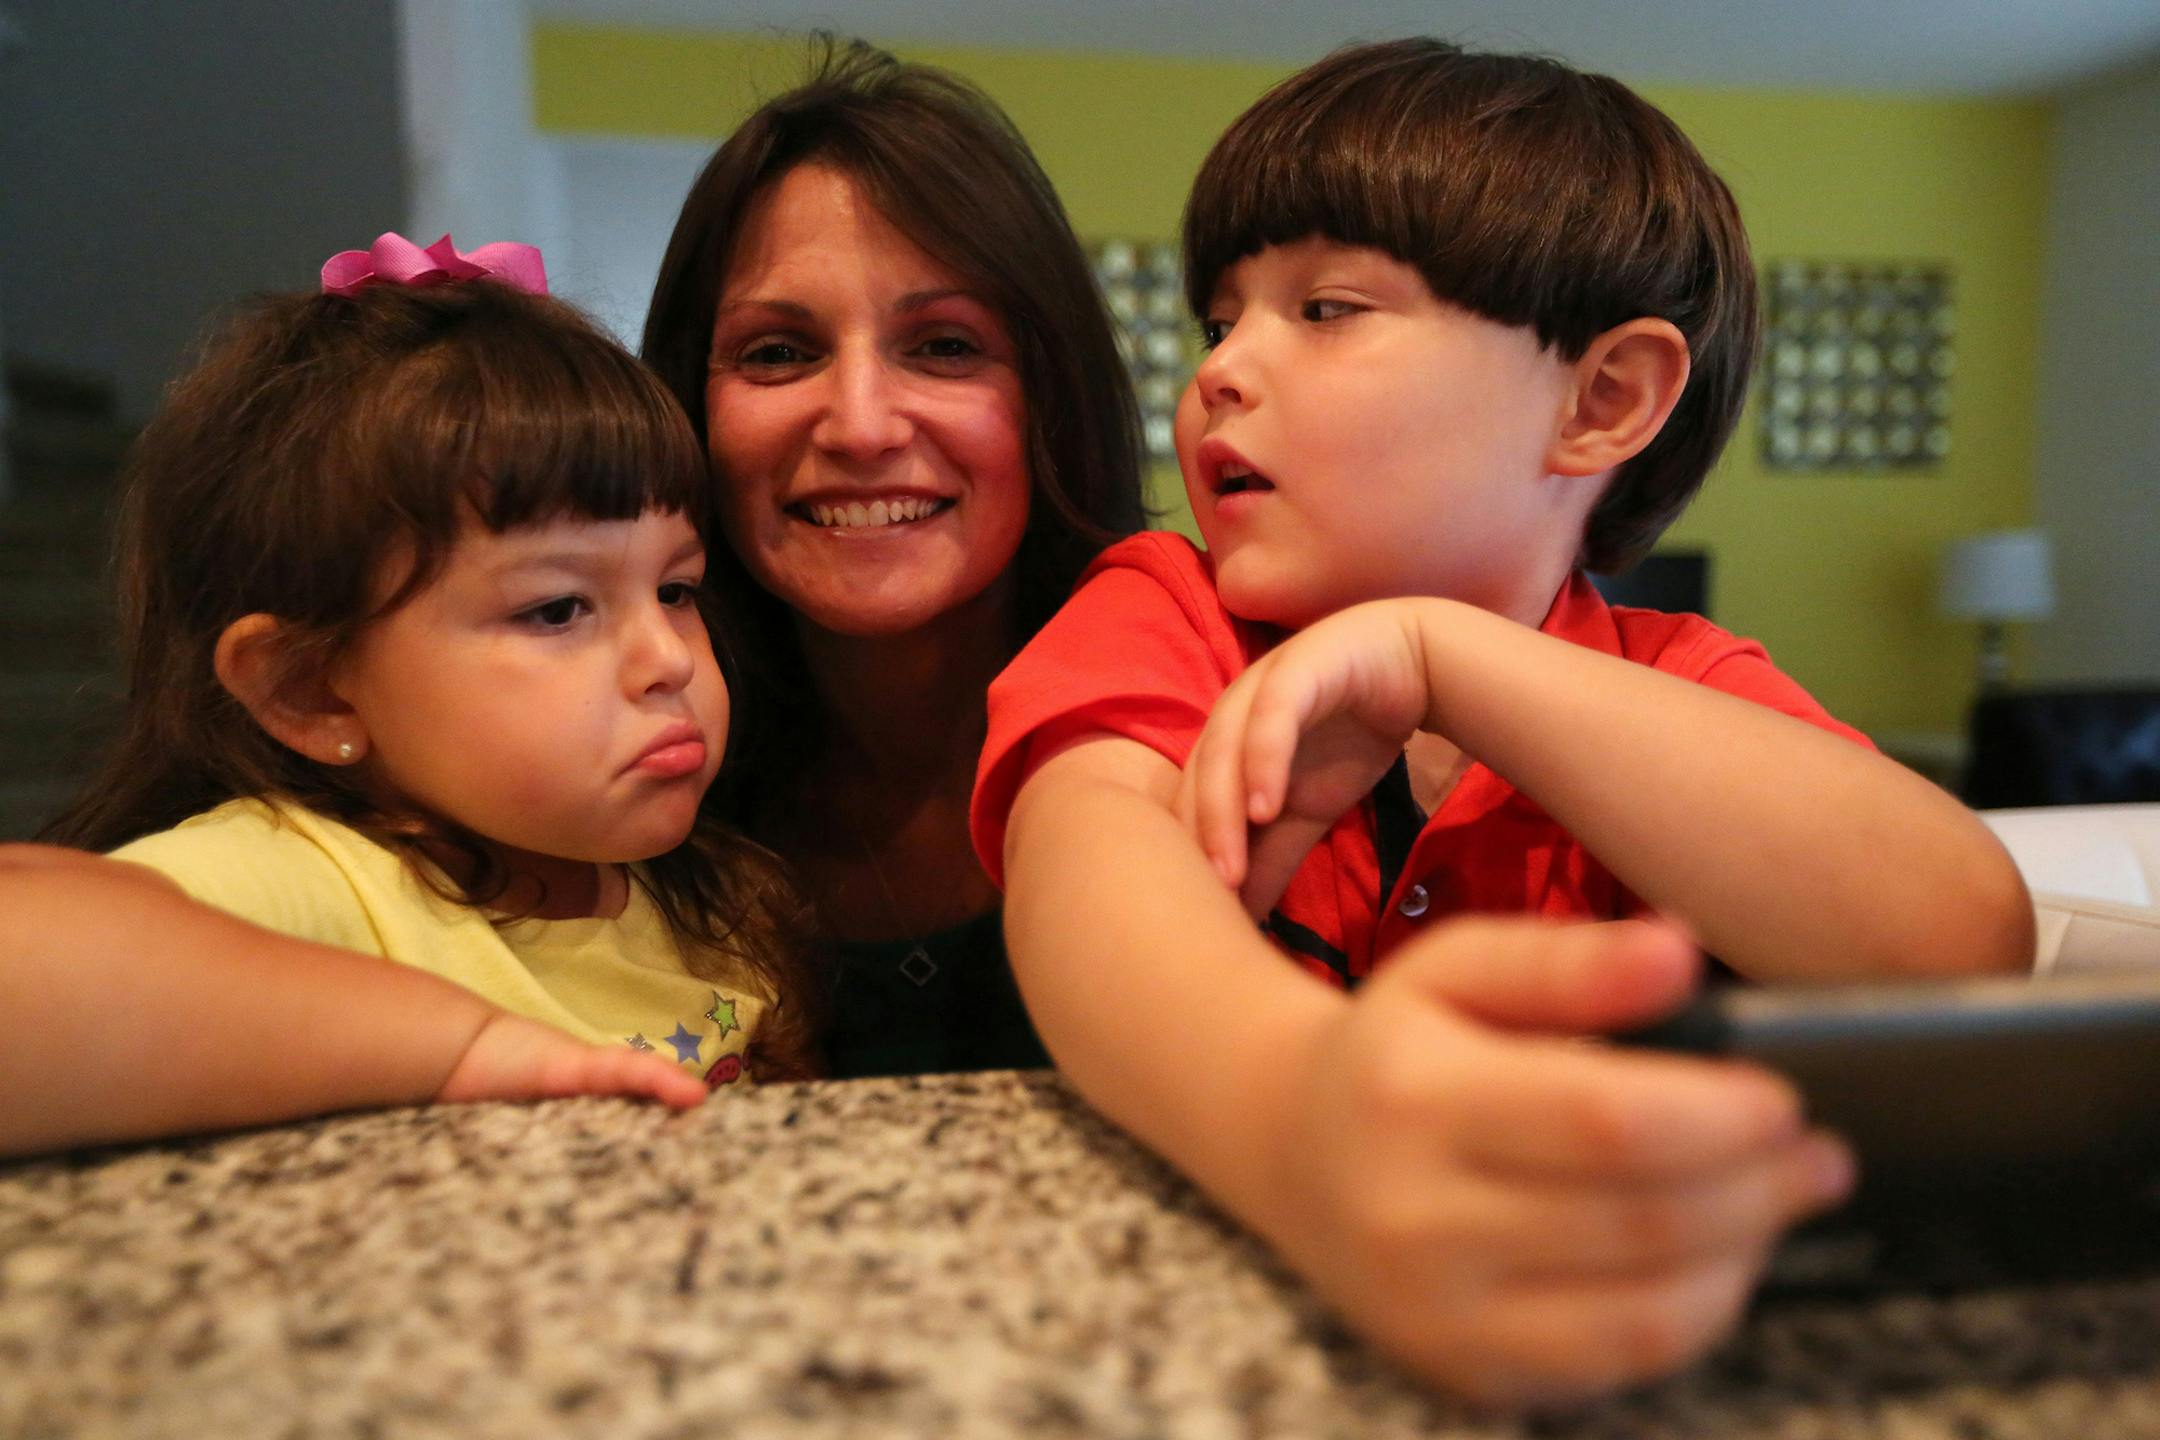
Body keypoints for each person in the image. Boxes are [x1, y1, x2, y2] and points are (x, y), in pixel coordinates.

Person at [971, 40, 2035, 1405]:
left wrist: (1446, 657)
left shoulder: (1679, 683)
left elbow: (1960, 935)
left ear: (1603, 400)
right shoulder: (1167, 609)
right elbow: (1086, 868)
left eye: (1326, 308)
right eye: (1219, 320)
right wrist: (1303, 1118)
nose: (1222, 369)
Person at [0, 234, 817, 1158]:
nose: (667, 658)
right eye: (557, 608)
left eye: (675, 589)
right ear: (312, 690)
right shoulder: (317, 881)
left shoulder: (702, 894)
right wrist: (461, 1050)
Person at [640, 39, 1146, 1077]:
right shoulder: (604, 775)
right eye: (779, 353)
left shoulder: (1210, 711)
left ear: (1052, 397)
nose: (862, 427)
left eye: (945, 346)